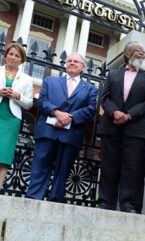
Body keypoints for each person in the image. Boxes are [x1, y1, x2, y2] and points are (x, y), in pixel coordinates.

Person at [26, 53, 97, 202]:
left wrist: (69, 118)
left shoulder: (90, 89)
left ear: (83, 67)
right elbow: (42, 101)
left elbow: (91, 109)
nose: (72, 63)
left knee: (63, 169)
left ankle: (56, 199)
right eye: (69, 61)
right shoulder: (50, 81)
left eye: (76, 61)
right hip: (47, 131)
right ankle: (33, 198)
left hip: (71, 134)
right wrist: (57, 113)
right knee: (40, 166)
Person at [97, 41, 145, 213]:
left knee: (132, 168)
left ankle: (127, 204)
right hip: (112, 126)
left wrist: (129, 115)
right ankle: (105, 202)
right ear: (127, 53)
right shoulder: (113, 74)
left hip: (136, 129)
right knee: (109, 166)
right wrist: (115, 112)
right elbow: (104, 97)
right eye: (137, 50)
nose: (141, 54)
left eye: (143, 51)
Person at [0, 42, 33, 189]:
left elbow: (29, 104)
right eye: (11, 54)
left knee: (4, 155)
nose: (13, 57)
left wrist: (17, 96)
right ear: (5, 56)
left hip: (11, 119)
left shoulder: (27, 79)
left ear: (21, 60)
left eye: (17, 55)